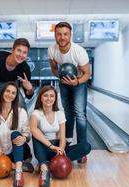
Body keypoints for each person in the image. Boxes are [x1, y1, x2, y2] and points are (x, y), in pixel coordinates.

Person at [30, 85, 91, 187]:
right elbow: (33, 129)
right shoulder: (36, 113)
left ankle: (53, 163)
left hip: (57, 148)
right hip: (44, 147)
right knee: (36, 136)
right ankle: (44, 169)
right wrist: (50, 146)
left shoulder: (60, 114)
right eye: (45, 96)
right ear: (41, 98)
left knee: (86, 146)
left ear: (55, 99)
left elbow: (62, 137)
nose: (49, 98)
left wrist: (61, 150)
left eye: (51, 96)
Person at [47, 22, 90, 163]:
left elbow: (87, 74)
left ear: (70, 35)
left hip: (79, 82)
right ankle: (69, 143)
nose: (62, 37)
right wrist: (61, 77)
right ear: (55, 35)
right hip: (64, 82)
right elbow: (54, 68)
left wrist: (76, 82)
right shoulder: (52, 50)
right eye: (59, 34)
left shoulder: (79, 52)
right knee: (68, 113)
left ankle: (82, 149)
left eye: (65, 34)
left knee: (80, 114)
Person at [0, 82, 34, 187]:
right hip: (2, 153)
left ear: (15, 96)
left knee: (16, 134)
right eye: (8, 91)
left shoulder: (21, 112)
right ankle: (16, 165)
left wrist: (24, 138)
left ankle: (18, 172)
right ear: (2, 92)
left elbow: (27, 132)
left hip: (20, 150)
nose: (10, 95)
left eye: (13, 93)